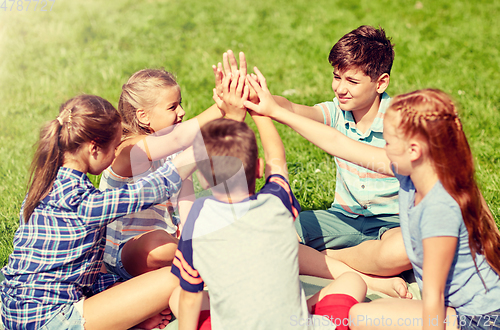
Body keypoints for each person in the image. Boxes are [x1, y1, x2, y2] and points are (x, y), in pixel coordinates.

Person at [169, 70, 368, 330]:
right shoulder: (276, 203)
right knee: (353, 282)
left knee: (177, 297)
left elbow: (190, 297)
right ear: (259, 168)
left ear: (204, 180)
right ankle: (304, 308)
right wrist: (260, 113)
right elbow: (278, 160)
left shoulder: (198, 217)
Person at [0, 94, 200, 330]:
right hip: (48, 320)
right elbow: (149, 190)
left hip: (17, 309)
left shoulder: (46, 184)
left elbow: (72, 268)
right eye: (115, 148)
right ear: (93, 147)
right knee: (175, 275)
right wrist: (201, 146)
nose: (117, 154)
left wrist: (120, 295)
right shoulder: (82, 201)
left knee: (140, 291)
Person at [346, 89, 500, 330]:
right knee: (358, 315)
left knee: (362, 318)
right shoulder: (415, 177)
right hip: (459, 309)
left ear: (414, 150)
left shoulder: (438, 209)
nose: (384, 150)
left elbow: (433, 298)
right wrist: (275, 112)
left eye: (388, 142)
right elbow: (338, 144)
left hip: (481, 320)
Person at [268, 25, 410, 276]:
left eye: (352, 81)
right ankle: (364, 269)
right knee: (272, 232)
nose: (340, 88)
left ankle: (329, 259)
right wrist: (261, 97)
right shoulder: (336, 112)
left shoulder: (401, 120)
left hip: (394, 224)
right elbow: (291, 108)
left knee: (403, 250)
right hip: (343, 218)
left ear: (381, 83)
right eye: (336, 76)